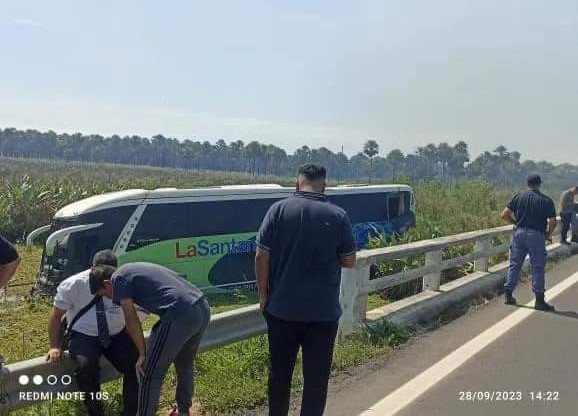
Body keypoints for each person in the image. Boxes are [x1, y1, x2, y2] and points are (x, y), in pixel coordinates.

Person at [255, 164, 357, 416]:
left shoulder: (277, 210)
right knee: (316, 381)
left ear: (296, 183)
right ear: (324, 185)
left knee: (279, 376)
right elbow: (349, 261)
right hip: (322, 314)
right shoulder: (338, 215)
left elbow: (260, 255)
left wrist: (263, 295)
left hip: (281, 310)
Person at [89, 262, 210, 416]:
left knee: (149, 372)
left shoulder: (118, 278)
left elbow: (130, 318)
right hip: (201, 306)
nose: (109, 298)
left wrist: (141, 354)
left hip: (179, 313)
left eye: (104, 294)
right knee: (184, 364)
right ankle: (183, 411)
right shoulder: (134, 268)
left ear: (107, 283)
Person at [47, 250, 142, 416]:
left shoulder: (122, 282)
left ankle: (131, 412)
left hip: (116, 334)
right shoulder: (73, 284)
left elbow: (135, 316)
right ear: (92, 268)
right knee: (85, 369)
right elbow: (56, 318)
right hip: (84, 335)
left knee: (136, 366)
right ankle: (96, 412)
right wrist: (54, 346)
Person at [501, 174, 557, 311]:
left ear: (528, 183)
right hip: (536, 235)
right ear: (539, 184)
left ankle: (508, 295)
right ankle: (539, 300)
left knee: (515, 264)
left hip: (519, 233)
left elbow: (504, 214)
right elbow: (553, 221)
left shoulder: (518, 196)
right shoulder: (546, 200)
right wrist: (548, 234)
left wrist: (516, 223)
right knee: (537, 266)